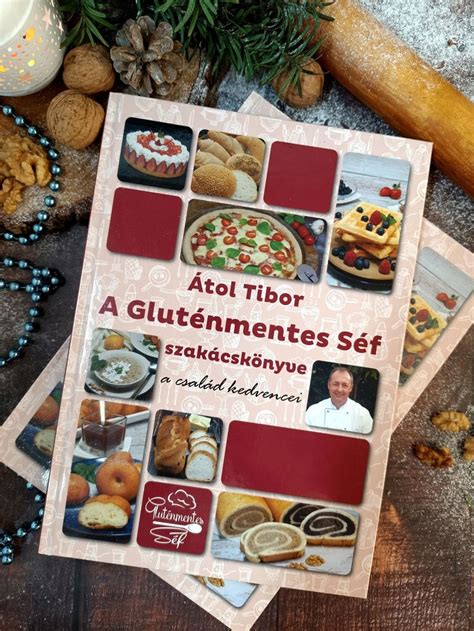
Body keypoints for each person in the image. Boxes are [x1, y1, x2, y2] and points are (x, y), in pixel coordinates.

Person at [305, 366, 373, 434]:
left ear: (351, 388)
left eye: (344, 385)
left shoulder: (363, 415)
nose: (339, 389)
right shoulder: (313, 411)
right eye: (335, 384)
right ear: (329, 385)